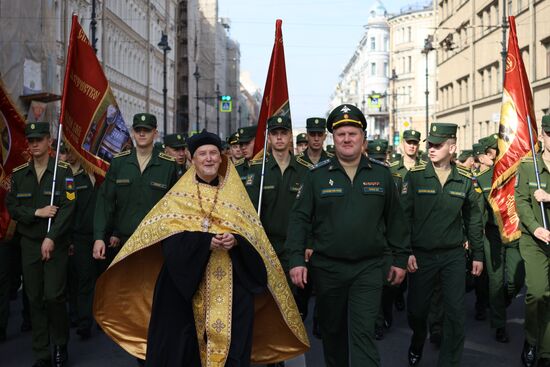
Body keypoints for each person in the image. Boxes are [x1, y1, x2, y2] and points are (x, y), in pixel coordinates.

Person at [93, 130, 309, 366]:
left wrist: (237, 241)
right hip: (185, 287)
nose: (208, 159)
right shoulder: (177, 197)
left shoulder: (236, 197)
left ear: (221, 158)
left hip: (232, 286)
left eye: (213, 153)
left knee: (232, 350)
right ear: (192, 159)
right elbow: (168, 240)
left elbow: (254, 238)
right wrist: (205, 242)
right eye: (202, 154)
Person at [287, 104, 410, 367]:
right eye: (341, 133)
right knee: (333, 333)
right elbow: (298, 219)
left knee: (364, 333)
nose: (346, 138)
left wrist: (400, 259)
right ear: (333, 138)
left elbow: (396, 220)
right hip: (328, 269)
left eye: (352, 133)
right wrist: (296, 258)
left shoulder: (381, 174)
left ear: (362, 138)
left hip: (369, 268)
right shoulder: (316, 176)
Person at [402, 122, 484, 367]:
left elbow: (474, 219)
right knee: (417, 311)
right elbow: (403, 218)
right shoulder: (415, 176)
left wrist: (478, 254)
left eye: (438, 145)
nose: (432, 149)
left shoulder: (465, 179)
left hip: (453, 256)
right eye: (431, 145)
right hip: (421, 256)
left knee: (456, 314)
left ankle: (448, 362)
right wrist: (405, 252)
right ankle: (418, 339)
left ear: (452, 147)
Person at [6, 122, 75, 367]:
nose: (34, 144)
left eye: (39, 139)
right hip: (29, 244)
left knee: (54, 296)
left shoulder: (63, 172)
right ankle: (42, 353)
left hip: (54, 244)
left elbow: (68, 207)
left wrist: (52, 237)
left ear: (49, 141)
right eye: (31, 140)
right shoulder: (18, 174)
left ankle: (60, 343)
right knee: (34, 298)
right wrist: (37, 212)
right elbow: (12, 206)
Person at [93, 113, 178, 264]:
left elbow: (174, 207)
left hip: (156, 242)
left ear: (155, 133)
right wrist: (99, 237)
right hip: (125, 242)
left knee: (153, 286)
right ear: (132, 132)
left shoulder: (168, 165)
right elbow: (105, 202)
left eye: (147, 130)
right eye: (138, 130)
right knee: (125, 287)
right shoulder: (119, 162)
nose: (142, 133)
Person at [474, 135, 525, 344]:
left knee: (516, 280)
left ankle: (501, 301)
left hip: (514, 233)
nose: (500, 150)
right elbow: (478, 213)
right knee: (495, 281)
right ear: (488, 153)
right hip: (493, 235)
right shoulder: (483, 178)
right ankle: (499, 325)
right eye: (496, 149)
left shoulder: (516, 172)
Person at [515, 115, 550, 367]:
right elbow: (521, 202)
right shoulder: (529, 166)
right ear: (543, 136)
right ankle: (531, 338)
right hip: (535, 240)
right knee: (537, 293)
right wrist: (536, 228)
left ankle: (545, 350)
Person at [64, 147, 100, 340]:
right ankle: (84, 321)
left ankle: (103, 318)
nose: (68, 156)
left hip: (102, 234)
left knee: (102, 277)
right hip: (80, 236)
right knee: (84, 277)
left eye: (71, 152)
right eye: (65, 152)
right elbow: (68, 209)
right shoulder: (68, 177)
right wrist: (69, 239)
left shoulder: (95, 171)